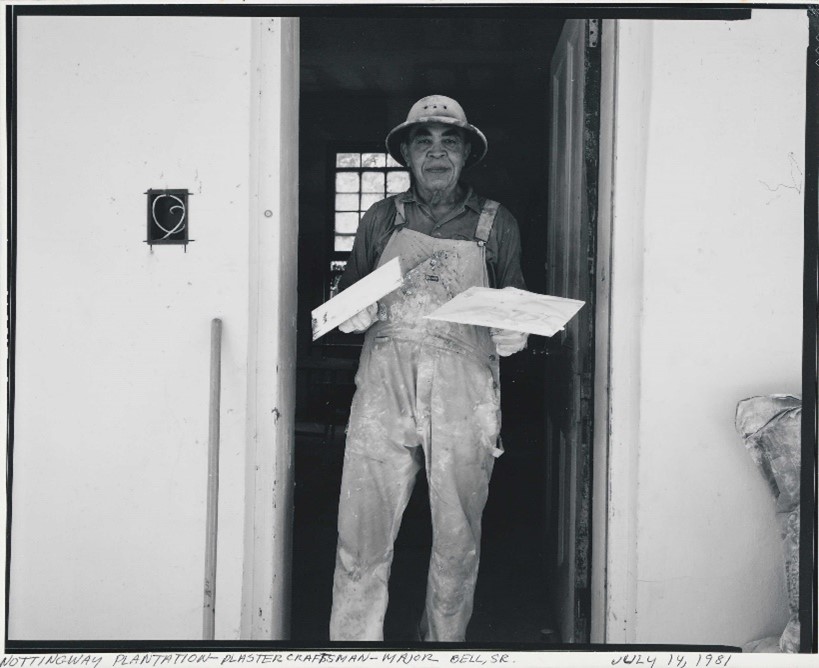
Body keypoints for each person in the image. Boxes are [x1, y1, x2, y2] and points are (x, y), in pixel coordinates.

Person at [329, 95, 528, 642]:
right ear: (406, 154)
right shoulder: (381, 218)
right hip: (384, 385)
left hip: (466, 389)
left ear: (466, 153)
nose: (437, 152)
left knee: (458, 534)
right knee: (363, 528)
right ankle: (352, 647)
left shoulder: (496, 222)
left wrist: (516, 333)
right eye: (425, 141)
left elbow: (515, 302)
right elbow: (345, 295)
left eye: (450, 141)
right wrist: (351, 312)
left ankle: (444, 647)